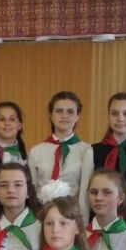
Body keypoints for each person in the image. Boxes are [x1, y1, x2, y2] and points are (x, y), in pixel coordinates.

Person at [28, 91, 94, 220]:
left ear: (77, 116)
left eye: (70, 112)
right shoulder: (35, 151)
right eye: (59, 111)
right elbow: (33, 191)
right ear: (51, 115)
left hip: (72, 216)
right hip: (42, 215)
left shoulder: (86, 150)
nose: (64, 116)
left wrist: (83, 223)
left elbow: (84, 192)